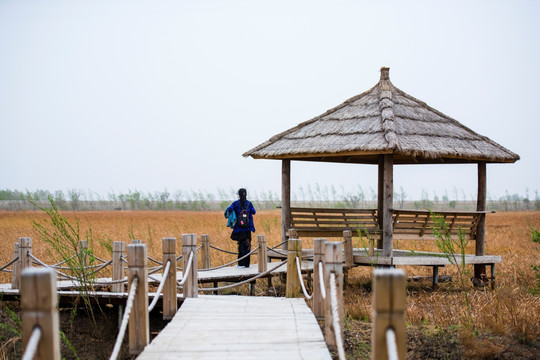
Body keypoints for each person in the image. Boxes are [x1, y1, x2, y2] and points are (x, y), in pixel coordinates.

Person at [225, 188, 256, 267]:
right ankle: (247, 264)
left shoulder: (235, 203)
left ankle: (240, 264)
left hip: (239, 229)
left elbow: (229, 210)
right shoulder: (249, 203)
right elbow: (254, 212)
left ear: (239, 195)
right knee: (247, 245)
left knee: (241, 245)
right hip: (248, 229)